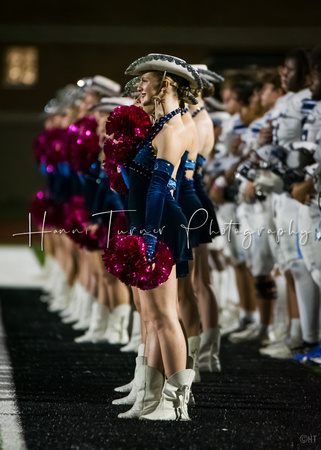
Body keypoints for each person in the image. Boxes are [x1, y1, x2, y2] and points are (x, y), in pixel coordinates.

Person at [111, 54, 202, 421]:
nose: (140, 87)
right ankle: (149, 398)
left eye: (146, 80)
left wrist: (147, 240)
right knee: (149, 317)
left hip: (161, 223)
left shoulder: (175, 128)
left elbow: (159, 191)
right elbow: (138, 185)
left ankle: (174, 403)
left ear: (166, 83)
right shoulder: (158, 125)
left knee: (165, 315)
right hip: (146, 221)